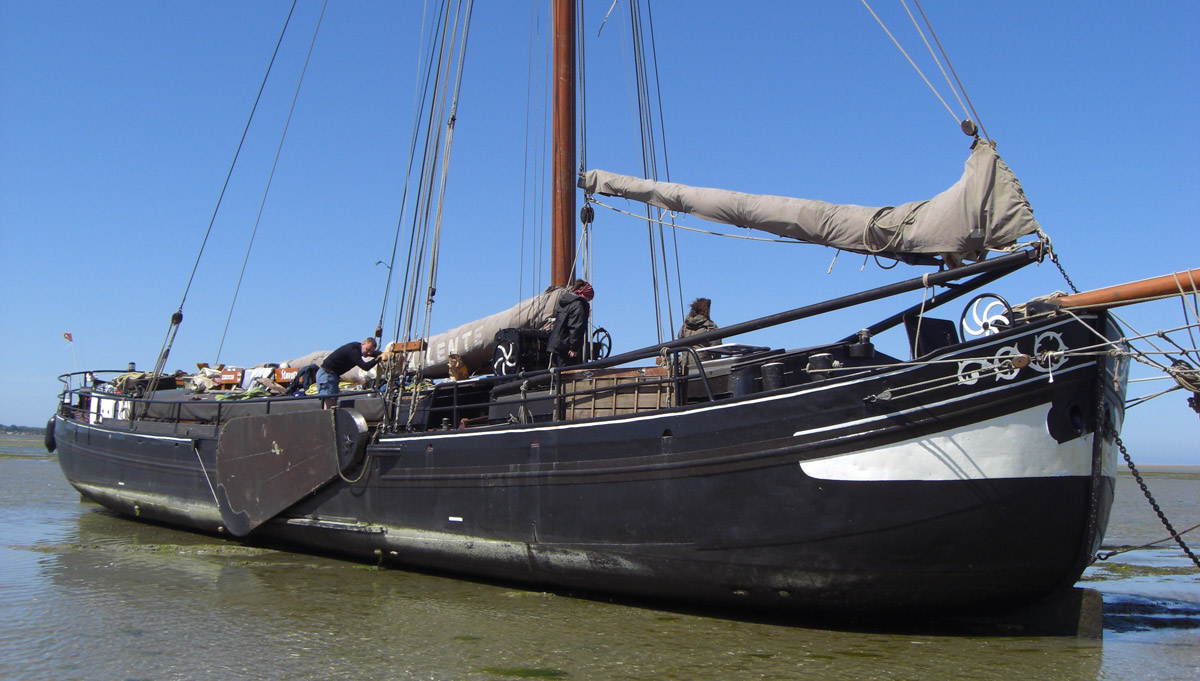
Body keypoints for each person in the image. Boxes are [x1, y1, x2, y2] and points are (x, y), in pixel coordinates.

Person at [317, 338, 381, 405]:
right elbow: (365, 367)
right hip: (327, 375)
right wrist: (377, 359)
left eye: (371, 352)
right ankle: (328, 415)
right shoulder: (353, 351)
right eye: (368, 350)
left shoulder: (359, 348)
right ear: (363, 344)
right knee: (329, 401)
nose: (369, 353)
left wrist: (384, 354)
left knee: (333, 401)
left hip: (333, 375)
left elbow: (374, 353)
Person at [546, 280, 594, 367]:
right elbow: (576, 327)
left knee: (556, 375)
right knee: (567, 375)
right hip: (565, 347)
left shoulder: (566, 301)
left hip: (555, 343)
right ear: (585, 295)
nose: (588, 302)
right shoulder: (579, 305)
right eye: (588, 299)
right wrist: (574, 348)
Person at [678, 297, 720, 372]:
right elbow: (717, 349)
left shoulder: (685, 326)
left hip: (685, 368)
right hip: (702, 367)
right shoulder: (710, 326)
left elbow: (679, 340)